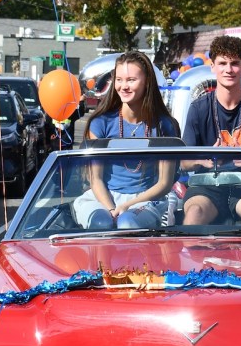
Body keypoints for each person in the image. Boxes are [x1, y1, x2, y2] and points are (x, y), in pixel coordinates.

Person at [73, 51, 180, 229]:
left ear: (147, 83)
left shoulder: (164, 125)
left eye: (131, 80)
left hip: (146, 200)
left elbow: (164, 183)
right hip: (102, 197)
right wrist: (112, 208)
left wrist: (126, 207)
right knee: (102, 223)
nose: (124, 86)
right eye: (119, 79)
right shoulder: (100, 123)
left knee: (127, 223)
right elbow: (96, 179)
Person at [181, 35, 241, 225]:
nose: (228, 69)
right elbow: (184, 163)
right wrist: (204, 159)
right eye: (222, 63)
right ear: (213, 67)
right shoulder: (198, 107)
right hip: (206, 185)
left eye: (234, 63)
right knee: (194, 215)